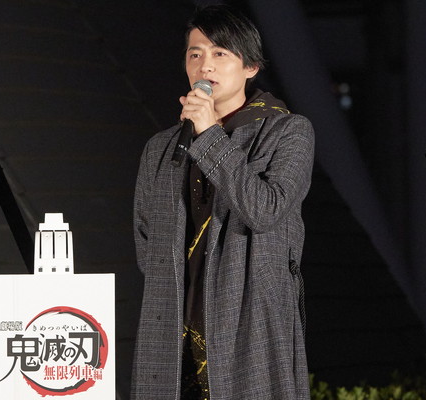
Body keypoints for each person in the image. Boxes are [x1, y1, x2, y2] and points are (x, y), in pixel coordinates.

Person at [132, 5, 314, 399]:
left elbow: (265, 210)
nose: (205, 65)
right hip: (172, 329)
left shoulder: (287, 132)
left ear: (251, 66)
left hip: (249, 325)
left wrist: (210, 135)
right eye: (195, 54)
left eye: (220, 53)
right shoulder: (161, 147)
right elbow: (146, 242)